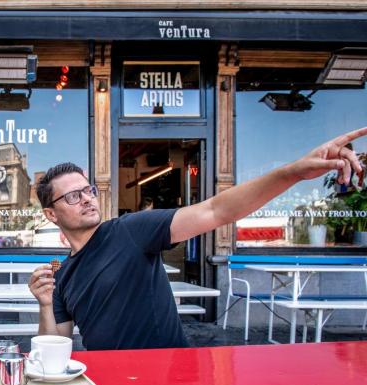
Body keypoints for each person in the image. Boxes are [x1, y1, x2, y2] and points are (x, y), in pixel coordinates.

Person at [29, 127, 367, 351]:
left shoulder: (130, 231)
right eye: (73, 197)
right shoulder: (63, 276)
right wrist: (45, 304)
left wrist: (292, 172)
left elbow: (216, 211)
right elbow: (54, 347)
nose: (88, 198)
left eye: (88, 190)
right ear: (51, 214)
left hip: (164, 380)